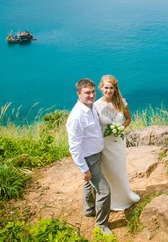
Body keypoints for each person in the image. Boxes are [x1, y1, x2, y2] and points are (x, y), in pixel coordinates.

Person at [66, 78, 113, 235]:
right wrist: (84, 168)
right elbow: (74, 147)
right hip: (89, 159)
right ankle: (101, 225)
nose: (92, 95)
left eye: (93, 92)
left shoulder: (90, 107)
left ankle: (88, 209)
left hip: (96, 153)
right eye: (87, 93)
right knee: (104, 191)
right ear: (78, 94)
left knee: (88, 184)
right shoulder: (76, 117)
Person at [93, 74, 140, 210]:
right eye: (106, 88)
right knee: (108, 171)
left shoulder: (121, 102)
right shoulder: (96, 106)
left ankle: (125, 197)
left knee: (119, 170)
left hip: (118, 143)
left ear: (115, 88)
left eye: (111, 88)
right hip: (105, 144)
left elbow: (128, 119)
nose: (109, 90)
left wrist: (121, 128)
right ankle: (111, 200)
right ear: (101, 88)